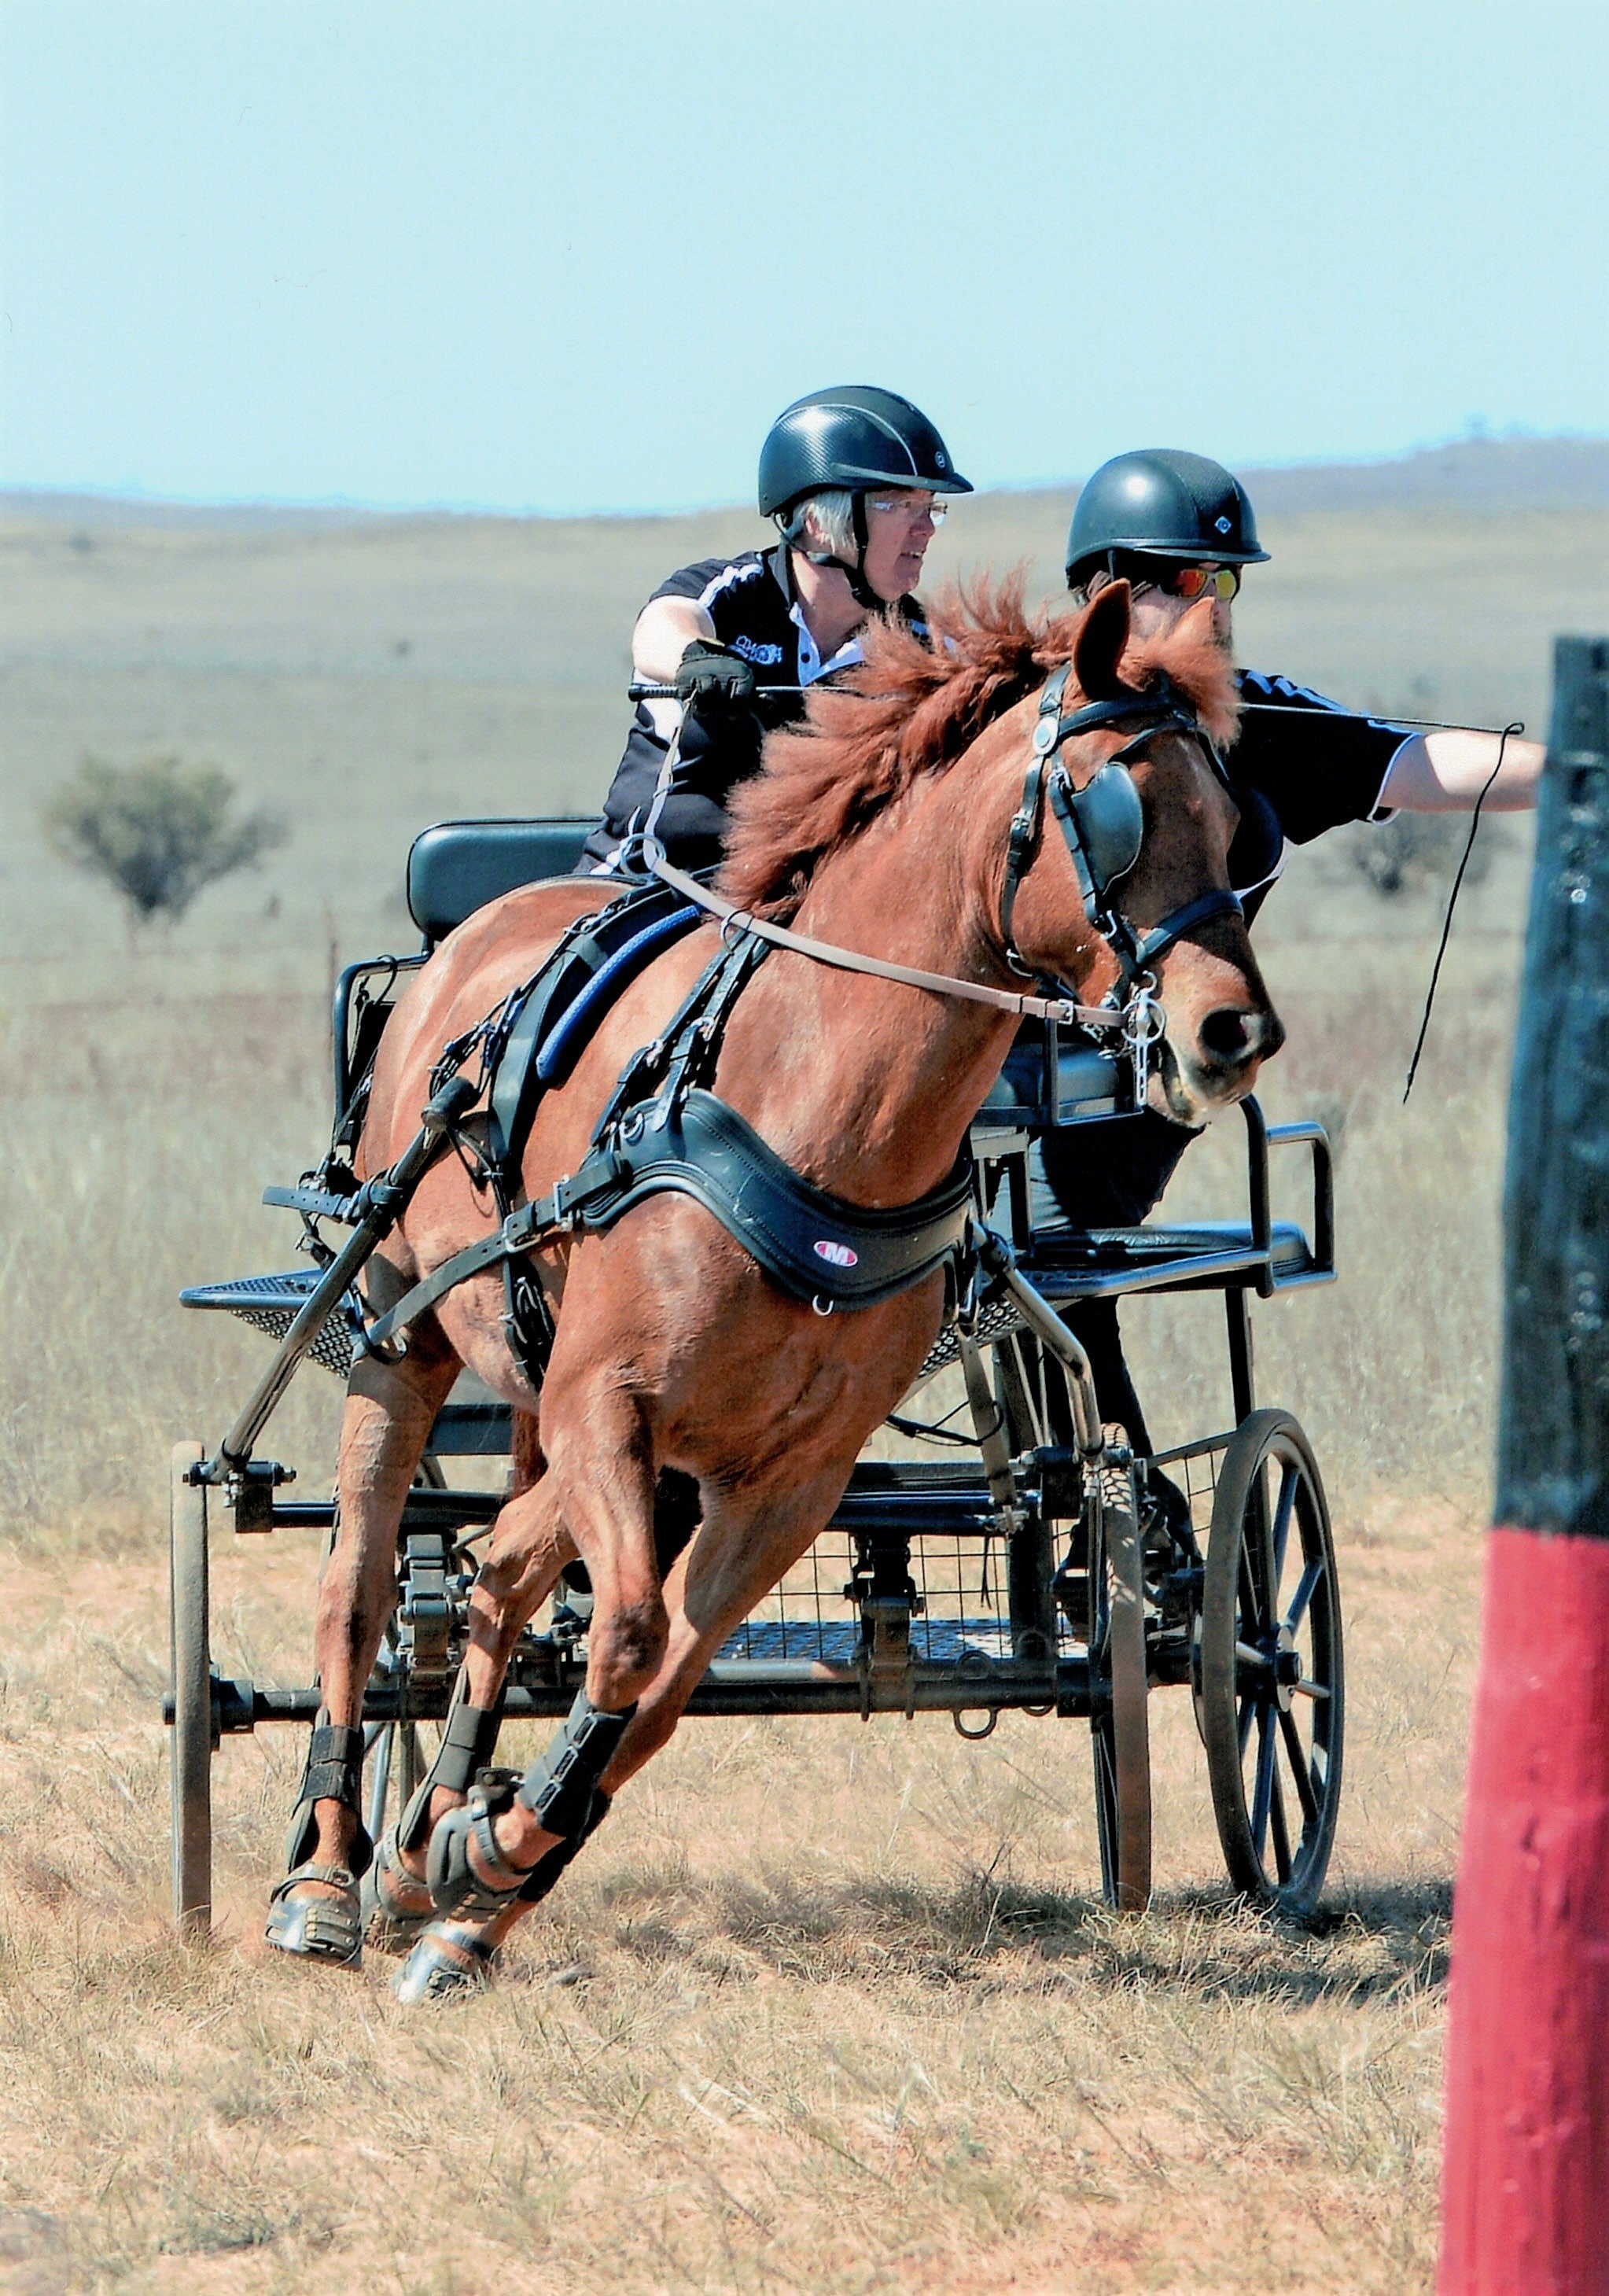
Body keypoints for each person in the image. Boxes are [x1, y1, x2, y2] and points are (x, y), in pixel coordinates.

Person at [1036, 448, 1544, 1465]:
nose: (1215, 602)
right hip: (980, 1080)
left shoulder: (1244, 716)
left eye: (1225, 579)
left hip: (1131, 1100)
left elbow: (1413, 760)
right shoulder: (1024, 719)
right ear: (1104, 591)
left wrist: (1583, 767)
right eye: (1184, 579)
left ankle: (1133, 1524)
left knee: (1051, 1263)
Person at [583, 383, 972, 875]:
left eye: (930, 506)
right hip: (651, 879)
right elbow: (662, 625)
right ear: (816, 520)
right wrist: (698, 659)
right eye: (898, 505)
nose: (927, 528)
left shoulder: (931, 647)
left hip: (809, 901)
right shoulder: (731, 592)